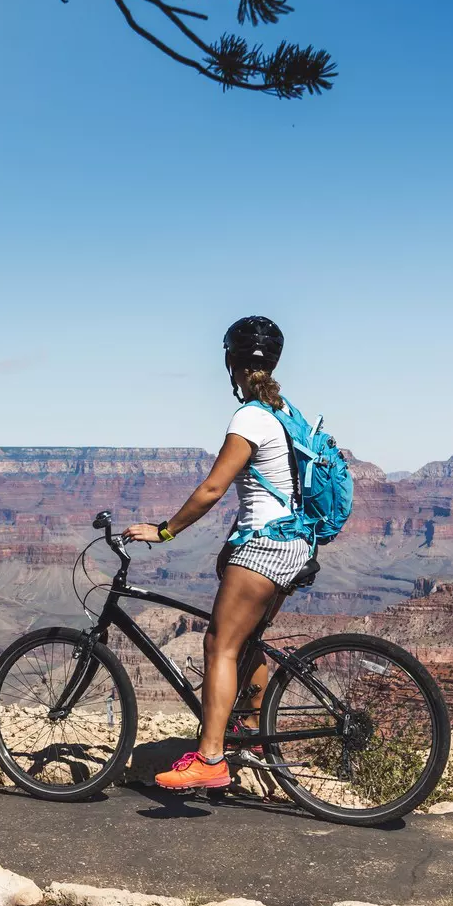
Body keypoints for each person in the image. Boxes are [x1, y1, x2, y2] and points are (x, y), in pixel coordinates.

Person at [124, 315, 316, 791]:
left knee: (219, 646)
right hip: (293, 543)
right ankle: (251, 733)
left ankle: (210, 758)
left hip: (265, 548)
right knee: (247, 642)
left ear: (231, 362)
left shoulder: (250, 416)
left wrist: (164, 532)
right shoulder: (285, 412)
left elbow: (213, 488)